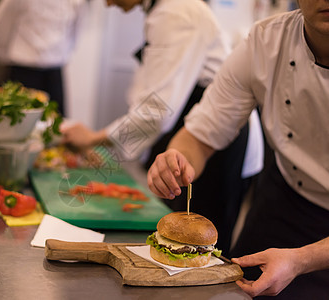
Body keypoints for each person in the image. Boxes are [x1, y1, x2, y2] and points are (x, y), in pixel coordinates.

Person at [146, 0, 329, 298]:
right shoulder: (266, 41)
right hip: (283, 198)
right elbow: (201, 133)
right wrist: (176, 160)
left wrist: (301, 260)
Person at [61, 0, 264, 255]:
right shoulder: (163, 11)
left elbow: (155, 113)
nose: (107, 2)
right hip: (191, 139)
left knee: (201, 247)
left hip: (216, 145)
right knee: (175, 239)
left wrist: (94, 139)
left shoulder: (178, 13)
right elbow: (149, 99)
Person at [0, 0, 87, 116]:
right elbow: (2, 25)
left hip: (54, 73)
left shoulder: (76, 2)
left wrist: (63, 55)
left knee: (57, 124)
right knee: (16, 123)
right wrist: (3, 56)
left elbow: (76, 31)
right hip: (23, 71)